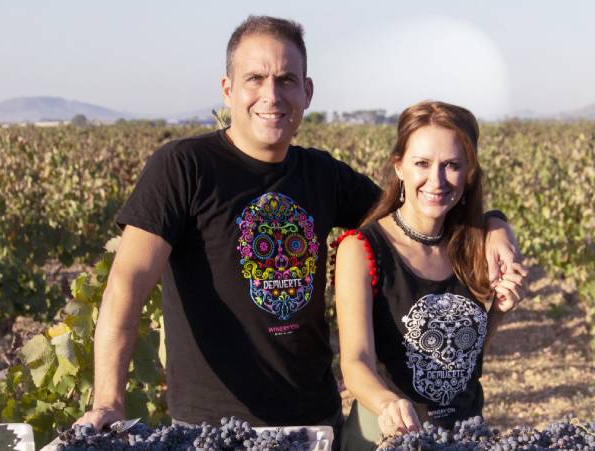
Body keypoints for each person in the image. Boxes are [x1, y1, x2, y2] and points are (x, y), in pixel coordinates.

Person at [76, 16, 521, 442]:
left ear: (306, 92)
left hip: (313, 421)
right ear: (228, 89)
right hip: (210, 427)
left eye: (286, 80)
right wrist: (109, 402)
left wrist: (494, 225)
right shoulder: (183, 168)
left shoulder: (321, 174)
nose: (271, 95)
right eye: (255, 78)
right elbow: (128, 283)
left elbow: (416, 213)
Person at [335, 101, 527, 451]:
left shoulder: (473, 244)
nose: (436, 180)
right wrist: (386, 403)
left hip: (464, 436)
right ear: (399, 167)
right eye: (422, 163)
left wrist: (499, 310)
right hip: (387, 437)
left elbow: (462, 360)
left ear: (469, 173)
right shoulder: (362, 249)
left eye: (452, 165)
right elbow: (355, 360)